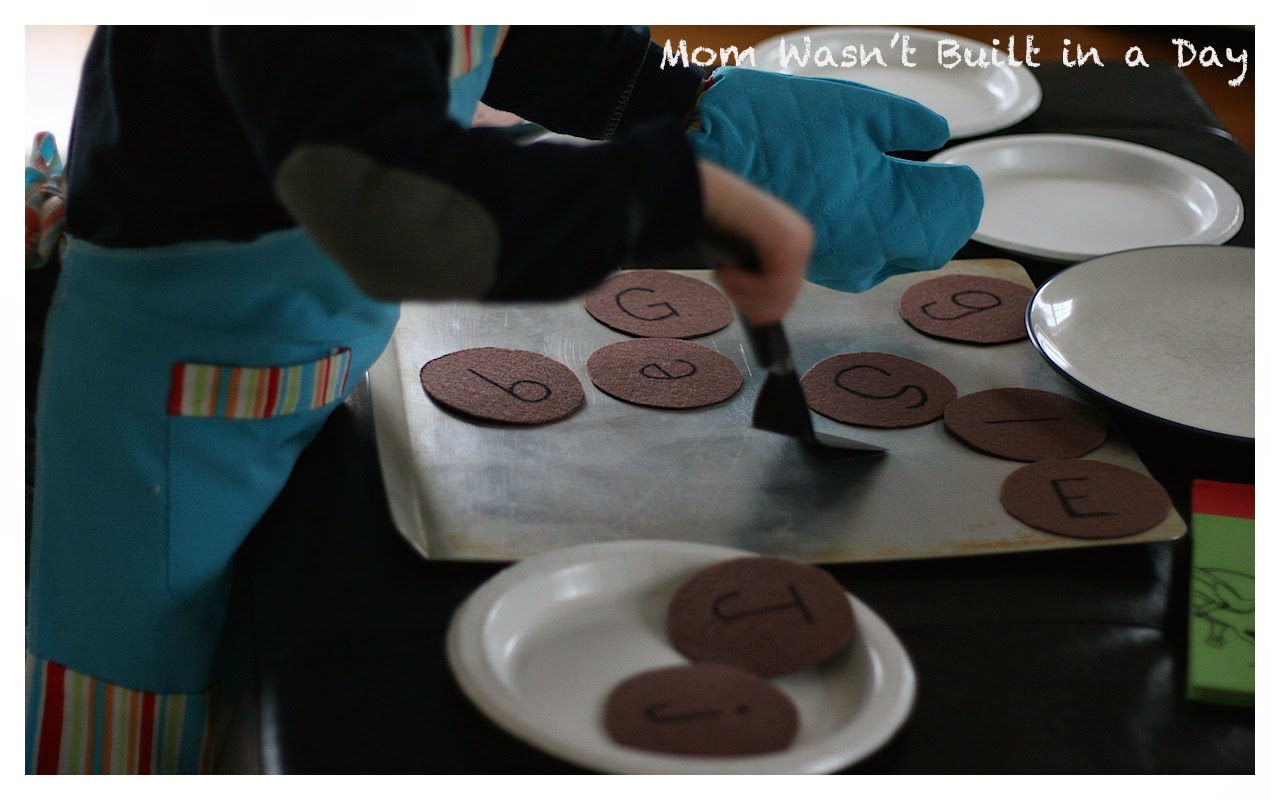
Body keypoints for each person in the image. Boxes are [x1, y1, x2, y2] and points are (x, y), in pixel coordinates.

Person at [26, 25, 978, 773]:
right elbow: (384, 200)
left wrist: (669, 98)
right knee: (141, 668)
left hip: (301, 326)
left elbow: (484, 39)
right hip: (171, 387)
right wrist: (672, 195)